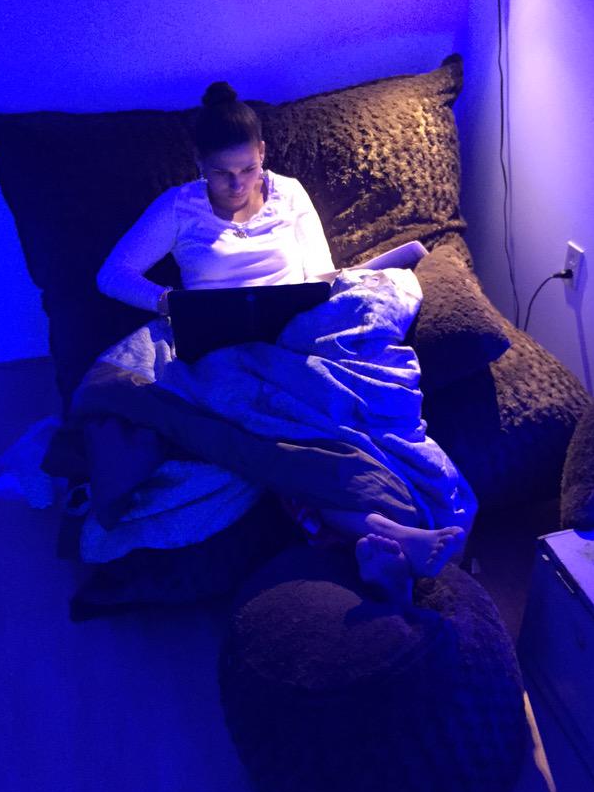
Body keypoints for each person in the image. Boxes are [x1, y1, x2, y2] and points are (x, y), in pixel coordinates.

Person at [95, 82, 469, 606]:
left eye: (248, 169)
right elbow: (112, 276)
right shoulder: (179, 208)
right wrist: (169, 303)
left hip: (299, 335)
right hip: (226, 350)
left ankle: (386, 541)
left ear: (262, 154)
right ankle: (391, 538)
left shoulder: (289, 194)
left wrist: (364, 276)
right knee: (294, 442)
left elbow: (320, 277)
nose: (236, 184)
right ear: (199, 163)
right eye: (222, 173)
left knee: (351, 407)